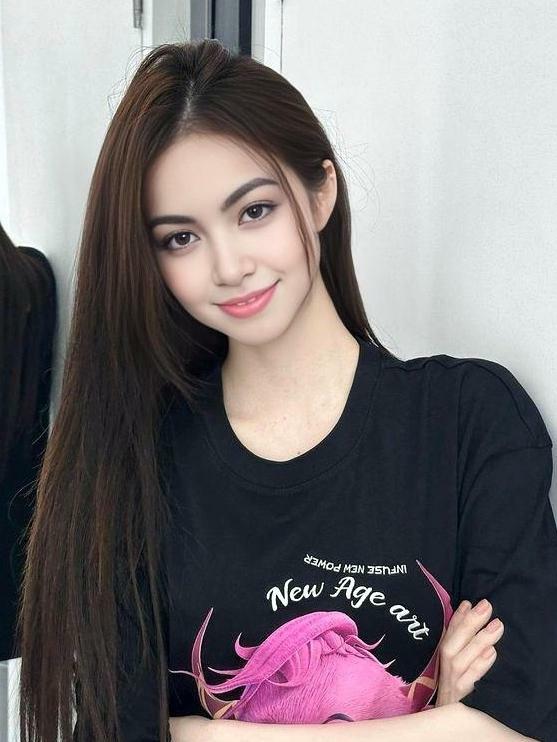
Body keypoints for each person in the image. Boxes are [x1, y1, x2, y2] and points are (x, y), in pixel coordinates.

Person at [16, 38, 556, 742]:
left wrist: (200, 732)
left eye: (253, 211)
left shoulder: (467, 422)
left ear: (320, 191)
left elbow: (520, 723)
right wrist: (437, 722)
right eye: (180, 238)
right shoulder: (138, 460)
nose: (228, 266)